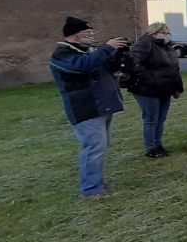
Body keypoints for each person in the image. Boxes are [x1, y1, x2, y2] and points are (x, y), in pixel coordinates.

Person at [50, 17, 129, 198]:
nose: (91, 36)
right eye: (87, 33)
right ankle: (90, 189)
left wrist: (118, 53)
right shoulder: (62, 55)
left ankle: (97, 183)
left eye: (92, 33)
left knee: (101, 146)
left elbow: (110, 68)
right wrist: (107, 48)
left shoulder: (90, 52)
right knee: (94, 147)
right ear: (73, 35)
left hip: (103, 105)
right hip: (86, 108)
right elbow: (83, 67)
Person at [126, 21, 183, 158]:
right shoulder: (145, 44)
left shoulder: (168, 47)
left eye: (168, 33)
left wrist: (177, 87)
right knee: (151, 119)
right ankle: (151, 148)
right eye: (164, 33)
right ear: (154, 32)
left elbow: (174, 68)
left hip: (165, 88)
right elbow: (135, 64)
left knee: (161, 119)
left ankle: (158, 145)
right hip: (147, 89)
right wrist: (151, 80)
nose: (167, 36)